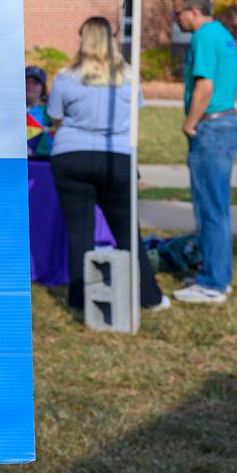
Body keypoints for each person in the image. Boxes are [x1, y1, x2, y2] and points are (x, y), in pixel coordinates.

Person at [47, 17, 167, 312]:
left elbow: (55, 118)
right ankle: (148, 296)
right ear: (112, 40)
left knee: (79, 234)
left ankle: (79, 301)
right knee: (127, 232)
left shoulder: (65, 77)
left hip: (71, 156)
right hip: (116, 157)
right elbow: (136, 114)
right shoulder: (128, 76)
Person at [171, 0, 237, 305]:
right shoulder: (223, 35)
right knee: (219, 208)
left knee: (209, 208)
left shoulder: (203, 37)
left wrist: (190, 122)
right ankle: (218, 275)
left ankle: (211, 283)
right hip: (228, 123)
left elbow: (205, 84)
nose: (177, 19)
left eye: (178, 13)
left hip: (210, 127)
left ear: (194, 11)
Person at [25, 65, 53, 159]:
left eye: (35, 83)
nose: (29, 85)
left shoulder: (51, 114)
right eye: (26, 81)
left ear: (43, 87)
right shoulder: (9, 112)